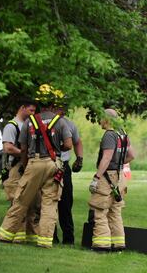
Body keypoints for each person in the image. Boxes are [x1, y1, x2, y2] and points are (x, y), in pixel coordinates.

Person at [0, 85, 73, 248]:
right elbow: (68, 145)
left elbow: (23, 149)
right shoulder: (60, 122)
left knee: (21, 200)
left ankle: (5, 235)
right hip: (54, 164)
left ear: (39, 105)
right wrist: (55, 149)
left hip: (34, 162)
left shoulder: (29, 122)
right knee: (49, 202)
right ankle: (45, 241)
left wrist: (25, 165)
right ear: (53, 105)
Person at [88, 108, 134, 252]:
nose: (99, 121)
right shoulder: (123, 133)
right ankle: (118, 244)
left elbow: (106, 158)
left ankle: (102, 245)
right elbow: (131, 155)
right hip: (119, 176)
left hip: (107, 176)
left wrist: (97, 177)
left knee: (99, 209)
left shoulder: (109, 135)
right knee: (115, 211)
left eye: (100, 118)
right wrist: (119, 164)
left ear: (107, 119)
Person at [0, 99, 38, 243]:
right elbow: (8, 148)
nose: (33, 114)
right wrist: (26, 154)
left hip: (27, 168)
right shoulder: (12, 126)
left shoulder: (29, 125)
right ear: (22, 108)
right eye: (31, 110)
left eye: (34, 111)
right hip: (15, 169)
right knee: (17, 203)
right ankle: (16, 236)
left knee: (30, 203)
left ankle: (27, 236)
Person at [54, 105, 83, 245]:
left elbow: (77, 142)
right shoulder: (43, 123)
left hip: (64, 166)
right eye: (60, 107)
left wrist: (79, 158)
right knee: (49, 202)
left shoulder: (69, 124)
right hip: (50, 164)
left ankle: (68, 239)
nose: (63, 110)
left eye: (64, 107)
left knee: (66, 203)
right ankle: (51, 236)